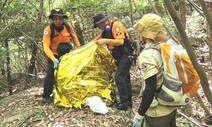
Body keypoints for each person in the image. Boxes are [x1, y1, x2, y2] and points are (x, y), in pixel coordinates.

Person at [132, 13, 177, 127]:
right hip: (170, 107)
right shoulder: (164, 47)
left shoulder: (147, 55)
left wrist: (140, 115)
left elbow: (150, 88)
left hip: (158, 112)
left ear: (144, 34)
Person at [91, 13, 133, 110]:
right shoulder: (105, 31)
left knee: (119, 77)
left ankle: (124, 102)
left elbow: (120, 41)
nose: (99, 27)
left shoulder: (116, 26)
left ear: (105, 21)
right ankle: (127, 102)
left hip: (126, 55)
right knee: (125, 78)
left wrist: (105, 41)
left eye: (99, 25)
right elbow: (95, 40)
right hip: (118, 57)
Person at [42, 8, 80, 103]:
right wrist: (53, 59)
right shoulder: (48, 30)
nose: (58, 21)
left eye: (60, 19)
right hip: (54, 55)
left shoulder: (68, 26)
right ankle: (46, 95)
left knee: (69, 73)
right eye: (56, 19)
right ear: (52, 19)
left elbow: (74, 36)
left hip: (67, 55)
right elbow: (46, 46)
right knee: (50, 74)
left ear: (63, 19)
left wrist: (78, 47)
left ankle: (68, 91)